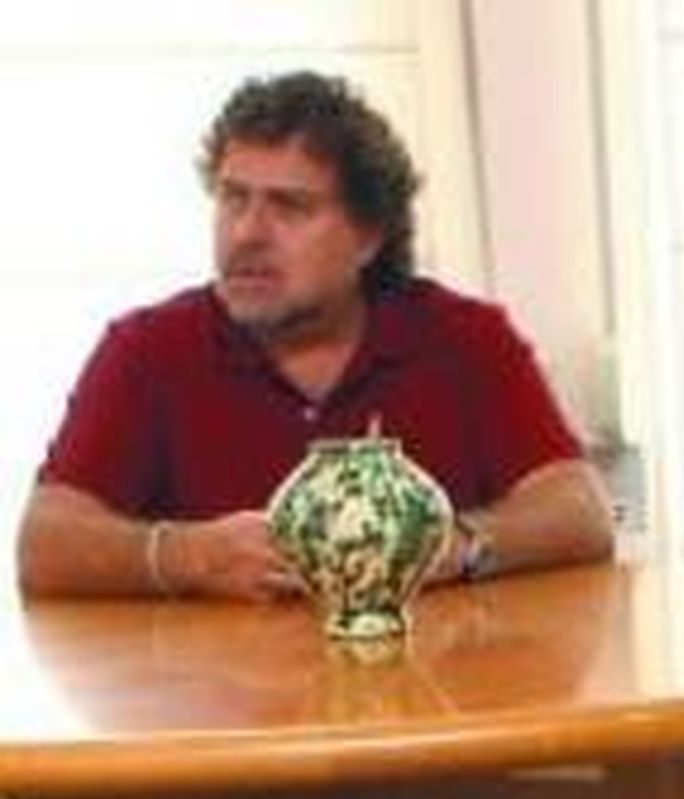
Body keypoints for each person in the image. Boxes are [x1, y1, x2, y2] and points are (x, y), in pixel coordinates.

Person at [17, 70, 613, 600]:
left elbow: (580, 512)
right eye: (232, 198)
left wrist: (462, 544)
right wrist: (182, 556)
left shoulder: (464, 338)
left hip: (432, 703)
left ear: (368, 235)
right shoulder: (147, 349)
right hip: (226, 713)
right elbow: (45, 543)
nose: (247, 233)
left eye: (289, 207)